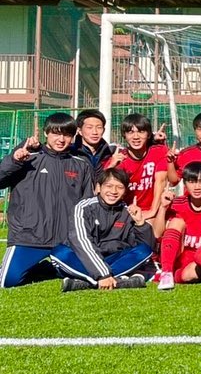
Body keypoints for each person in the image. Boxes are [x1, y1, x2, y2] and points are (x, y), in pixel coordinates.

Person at [0, 112, 94, 288]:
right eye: (56, 133)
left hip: (66, 241)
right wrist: (14, 160)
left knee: (89, 274)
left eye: (67, 134)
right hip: (28, 237)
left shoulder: (81, 164)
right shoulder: (27, 158)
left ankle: (50, 268)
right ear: (46, 133)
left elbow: (87, 204)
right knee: (8, 281)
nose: (61, 139)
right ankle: (39, 267)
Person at [52, 167, 153, 292]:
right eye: (109, 186)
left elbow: (145, 248)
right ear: (99, 187)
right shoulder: (83, 207)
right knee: (59, 253)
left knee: (144, 251)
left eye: (119, 187)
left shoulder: (128, 212)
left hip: (112, 261)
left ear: (125, 191)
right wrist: (102, 274)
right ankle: (116, 281)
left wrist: (140, 224)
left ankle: (87, 283)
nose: (113, 191)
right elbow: (80, 241)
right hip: (84, 259)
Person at [153, 161, 201, 290]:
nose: (197, 187)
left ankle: (173, 275)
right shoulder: (177, 203)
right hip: (180, 256)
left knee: (190, 273)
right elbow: (157, 234)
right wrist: (163, 207)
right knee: (177, 221)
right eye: (191, 182)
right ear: (184, 183)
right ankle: (166, 272)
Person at [104, 113, 168, 221]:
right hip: (126, 212)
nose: (136, 137)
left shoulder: (159, 151)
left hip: (153, 210)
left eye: (141, 132)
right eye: (130, 132)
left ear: (149, 134)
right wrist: (111, 166)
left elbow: (161, 181)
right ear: (124, 135)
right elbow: (101, 189)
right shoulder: (119, 159)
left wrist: (152, 211)